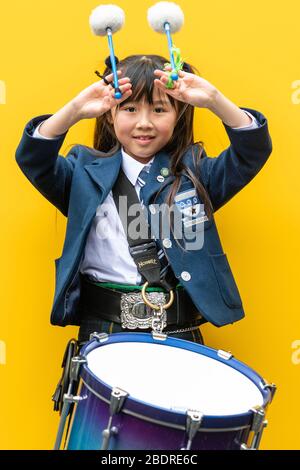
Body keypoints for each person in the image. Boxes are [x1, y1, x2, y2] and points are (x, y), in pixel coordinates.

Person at [15, 54, 272, 349]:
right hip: (103, 328)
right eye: (130, 108)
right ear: (110, 114)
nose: (144, 123)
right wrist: (74, 111)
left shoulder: (196, 172)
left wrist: (214, 100)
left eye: (159, 109)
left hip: (178, 329)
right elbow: (34, 159)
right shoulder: (83, 172)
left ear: (178, 115)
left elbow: (251, 152)